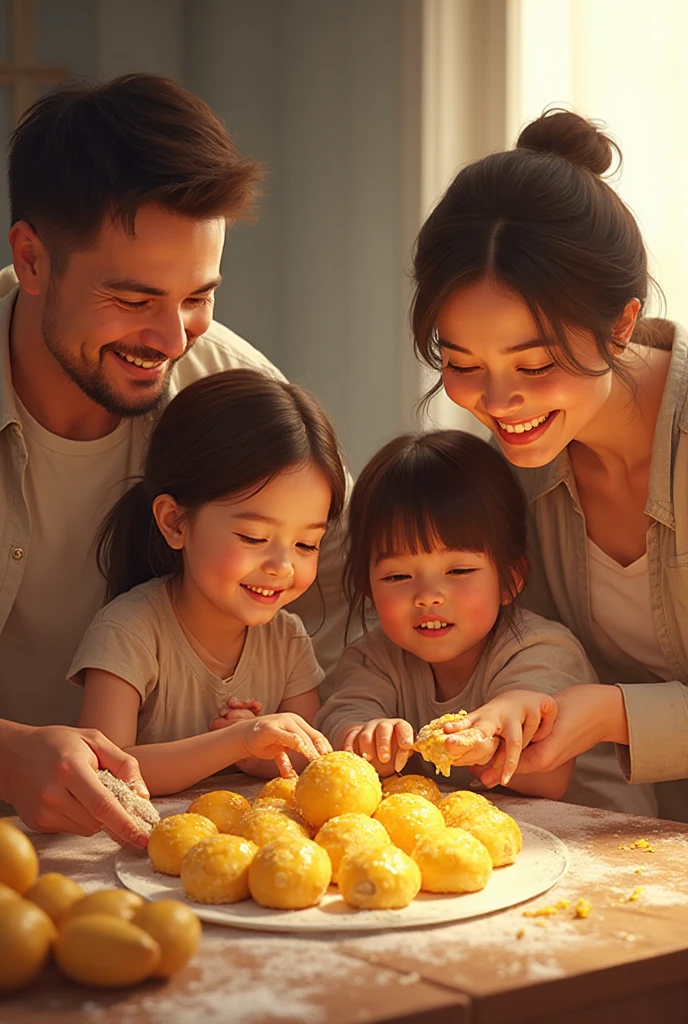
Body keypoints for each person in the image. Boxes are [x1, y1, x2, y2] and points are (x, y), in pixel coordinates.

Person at [0, 74, 348, 834]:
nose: (170, 339)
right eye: (133, 300)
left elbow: (350, 588)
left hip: (158, 840)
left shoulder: (231, 388)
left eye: (197, 296)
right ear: (31, 259)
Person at [411, 108, 688, 820]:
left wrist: (611, 714)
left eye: (535, 364)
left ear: (621, 326)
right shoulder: (515, 473)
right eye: (463, 363)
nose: (500, 402)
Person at [315, 430, 655, 811]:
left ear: (509, 580)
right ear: (368, 588)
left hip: (610, 837)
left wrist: (487, 741)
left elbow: (547, 777)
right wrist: (362, 735)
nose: (428, 595)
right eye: (398, 576)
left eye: (458, 570)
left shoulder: (540, 649)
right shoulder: (373, 659)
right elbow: (341, 719)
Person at [71, 370, 343, 794]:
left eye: (307, 544)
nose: (282, 566)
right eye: (254, 538)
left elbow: (311, 761)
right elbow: (105, 770)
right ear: (175, 522)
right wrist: (236, 742)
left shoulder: (286, 639)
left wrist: (259, 754)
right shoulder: (129, 632)